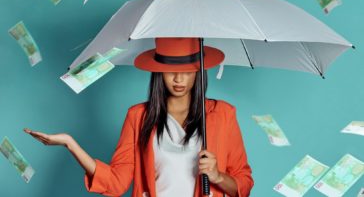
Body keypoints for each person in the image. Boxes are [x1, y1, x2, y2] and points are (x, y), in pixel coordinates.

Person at [24, 38, 254, 197]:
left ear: (199, 70)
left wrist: (217, 176)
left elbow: (243, 184)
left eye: (187, 70)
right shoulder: (138, 117)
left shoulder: (223, 114)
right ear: (158, 70)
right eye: (170, 69)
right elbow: (115, 182)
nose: (178, 78)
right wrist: (69, 143)